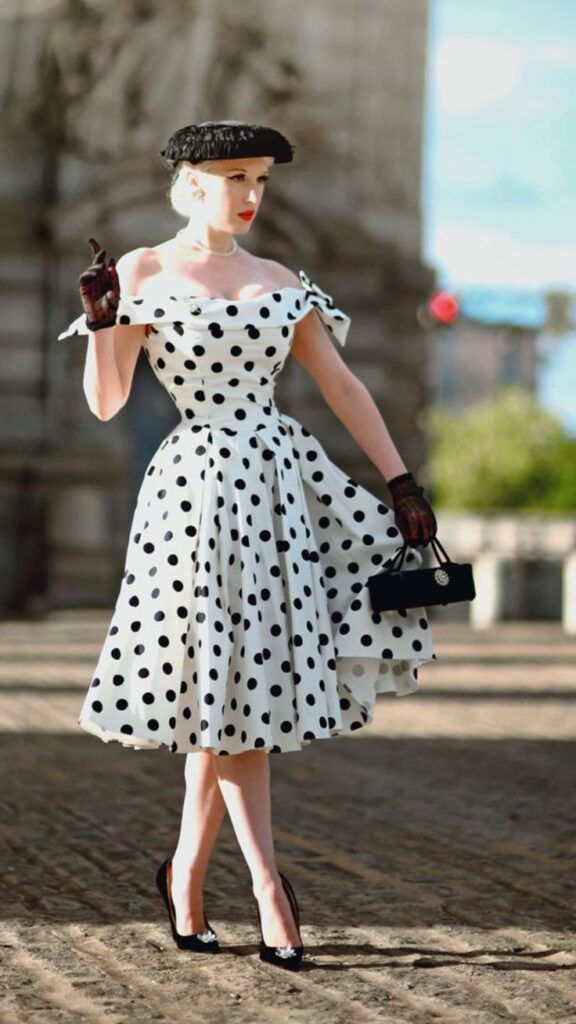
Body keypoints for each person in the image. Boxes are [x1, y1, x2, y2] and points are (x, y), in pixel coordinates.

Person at [58, 119, 439, 971]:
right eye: (238, 177)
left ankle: (187, 879)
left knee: (230, 692)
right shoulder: (142, 272)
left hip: (277, 492)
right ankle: (270, 889)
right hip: (192, 496)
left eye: (262, 179)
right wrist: (102, 322)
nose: (254, 195)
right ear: (192, 183)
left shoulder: (279, 280)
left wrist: (400, 480)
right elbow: (110, 403)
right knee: (234, 695)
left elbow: (339, 384)